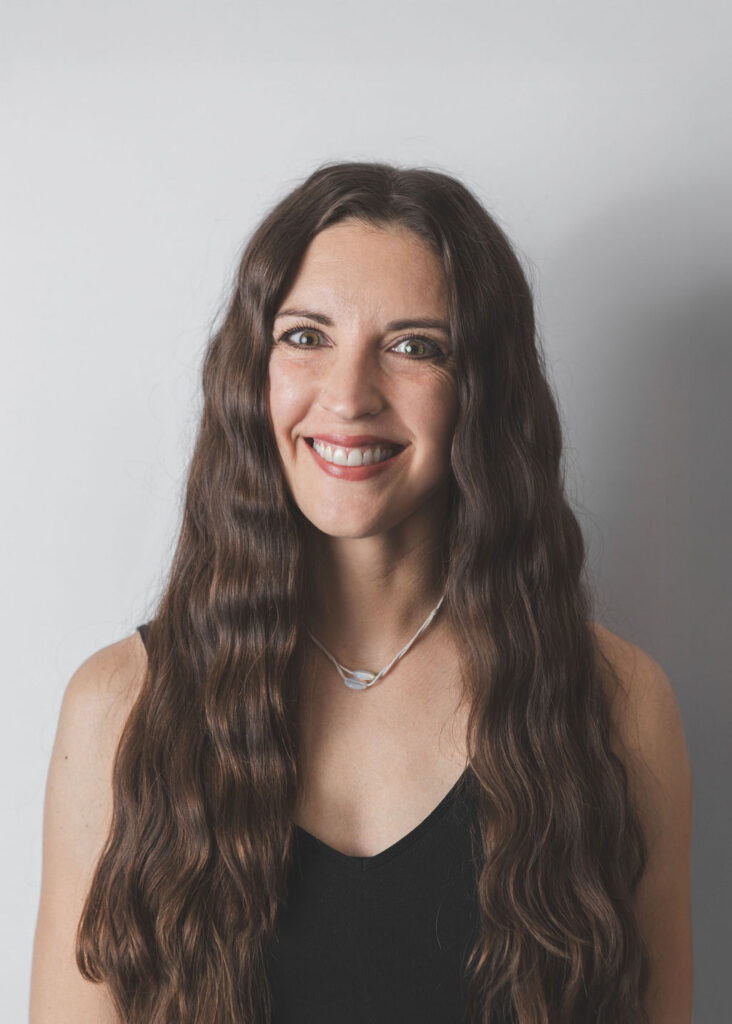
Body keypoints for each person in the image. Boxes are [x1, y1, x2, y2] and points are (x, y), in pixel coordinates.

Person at [29, 161, 693, 1023]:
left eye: (415, 347)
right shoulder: (120, 707)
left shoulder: (617, 704)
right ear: (253, 374)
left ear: (480, 395)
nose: (348, 396)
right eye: (307, 337)